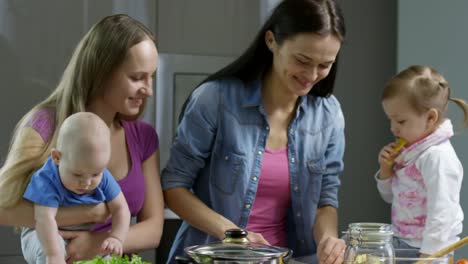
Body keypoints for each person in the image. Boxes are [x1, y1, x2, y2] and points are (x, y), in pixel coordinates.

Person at [161, 0, 347, 263]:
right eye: (302, 60)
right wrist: (234, 236)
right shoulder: (215, 100)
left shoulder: (329, 115)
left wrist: (328, 238)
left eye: (325, 65)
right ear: (271, 41)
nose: (312, 74)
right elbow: (174, 187)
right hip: (216, 257)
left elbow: (325, 198)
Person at [0, 14, 164, 263]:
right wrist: (87, 213)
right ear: (102, 72)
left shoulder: (143, 137)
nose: (149, 90)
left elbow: (153, 229)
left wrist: (96, 243)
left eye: (151, 76)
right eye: (137, 77)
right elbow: (3, 209)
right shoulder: (45, 124)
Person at [376, 65, 468, 257]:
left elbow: (443, 213)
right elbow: (392, 198)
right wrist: (386, 171)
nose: (393, 129)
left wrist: (430, 255)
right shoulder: (411, 152)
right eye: (390, 120)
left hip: (426, 249)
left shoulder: (437, 157)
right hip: (402, 241)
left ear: (430, 118)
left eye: (400, 121)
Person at [22, 112, 130, 264]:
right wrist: (54, 254)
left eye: (95, 174)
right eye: (77, 175)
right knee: (52, 251)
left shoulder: (103, 175)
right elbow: (44, 219)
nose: (86, 183)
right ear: (57, 158)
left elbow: (121, 208)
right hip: (41, 233)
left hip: (79, 234)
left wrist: (117, 238)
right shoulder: (46, 179)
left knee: (107, 255)